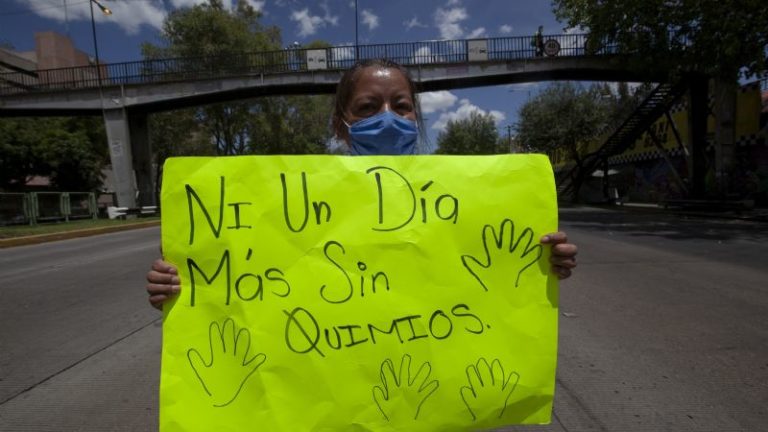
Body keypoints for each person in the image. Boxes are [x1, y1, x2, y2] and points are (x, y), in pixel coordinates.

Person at [145, 59, 578, 309]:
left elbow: (496, 274)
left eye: (401, 105)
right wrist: (178, 285)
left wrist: (542, 262)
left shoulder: (468, 199)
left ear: (415, 117)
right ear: (342, 123)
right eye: (369, 107)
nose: (387, 116)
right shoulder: (295, 202)